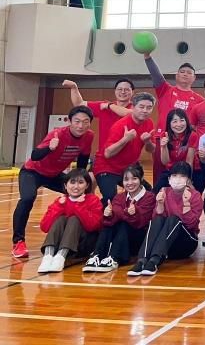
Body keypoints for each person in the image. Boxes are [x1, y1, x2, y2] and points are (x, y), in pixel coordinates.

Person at [12, 105, 94, 259]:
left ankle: (79, 236)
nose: (80, 126)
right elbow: (35, 155)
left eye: (85, 122)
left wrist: (80, 183)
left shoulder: (88, 136)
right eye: (77, 121)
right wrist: (49, 148)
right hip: (33, 172)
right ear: (69, 121)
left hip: (54, 175)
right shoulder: (57, 134)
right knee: (27, 198)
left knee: (83, 193)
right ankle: (18, 242)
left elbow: (82, 162)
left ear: (90, 123)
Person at [128, 162, 204, 277]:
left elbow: (191, 224)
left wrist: (186, 205)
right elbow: (156, 220)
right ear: (169, 179)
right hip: (165, 243)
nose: (177, 179)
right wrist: (160, 204)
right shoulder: (164, 191)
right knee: (158, 220)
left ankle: (154, 261)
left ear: (188, 180)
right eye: (174, 175)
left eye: (182, 176)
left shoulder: (195, 195)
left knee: (173, 219)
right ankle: (142, 260)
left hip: (185, 243)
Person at [83, 163, 156, 272]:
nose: (130, 183)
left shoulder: (149, 197)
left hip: (138, 239)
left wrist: (131, 213)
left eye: (134, 178)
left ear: (141, 178)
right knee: (109, 225)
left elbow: (141, 222)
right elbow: (113, 217)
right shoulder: (119, 197)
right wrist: (109, 215)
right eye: (126, 179)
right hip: (121, 239)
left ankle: (114, 258)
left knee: (124, 224)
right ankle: (97, 255)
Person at [143, 54, 204, 182]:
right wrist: (148, 57)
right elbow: (156, 75)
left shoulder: (199, 100)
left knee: (183, 174)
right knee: (160, 177)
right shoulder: (165, 90)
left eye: (189, 73)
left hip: (185, 142)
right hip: (162, 139)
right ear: (176, 76)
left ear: (194, 78)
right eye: (182, 72)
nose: (185, 74)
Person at [93, 93, 156, 205]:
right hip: (107, 167)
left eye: (149, 107)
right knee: (110, 198)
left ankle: (132, 213)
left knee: (147, 192)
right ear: (133, 107)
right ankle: (98, 212)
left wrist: (148, 141)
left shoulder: (149, 123)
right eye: (141, 107)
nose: (145, 110)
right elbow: (107, 154)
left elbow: (151, 150)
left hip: (128, 168)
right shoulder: (121, 125)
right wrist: (125, 139)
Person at [37, 168, 103, 273]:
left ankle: (61, 257)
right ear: (65, 185)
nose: (76, 186)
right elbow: (44, 227)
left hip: (83, 246)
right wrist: (59, 206)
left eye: (80, 182)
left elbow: (93, 226)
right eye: (72, 182)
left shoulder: (93, 200)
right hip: (60, 245)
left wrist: (80, 206)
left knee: (74, 219)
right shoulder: (60, 201)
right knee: (60, 219)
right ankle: (48, 256)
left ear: (87, 185)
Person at [61, 78, 134, 152]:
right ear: (115, 91)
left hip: (127, 155)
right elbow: (79, 104)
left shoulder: (137, 108)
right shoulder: (104, 106)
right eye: (120, 89)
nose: (123, 92)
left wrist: (109, 106)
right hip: (104, 155)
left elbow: (128, 113)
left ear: (132, 92)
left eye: (126, 89)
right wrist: (74, 87)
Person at [154, 108, 200, 193]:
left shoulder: (192, 135)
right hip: (171, 171)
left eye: (182, 120)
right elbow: (165, 162)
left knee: (192, 192)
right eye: (174, 121)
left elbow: (189, 161)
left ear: (186, 121)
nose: (179, 124)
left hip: (188, 170)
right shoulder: (164, 135)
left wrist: (188, 179)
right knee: (156, 190)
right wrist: (163, 146)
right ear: (169, 124)